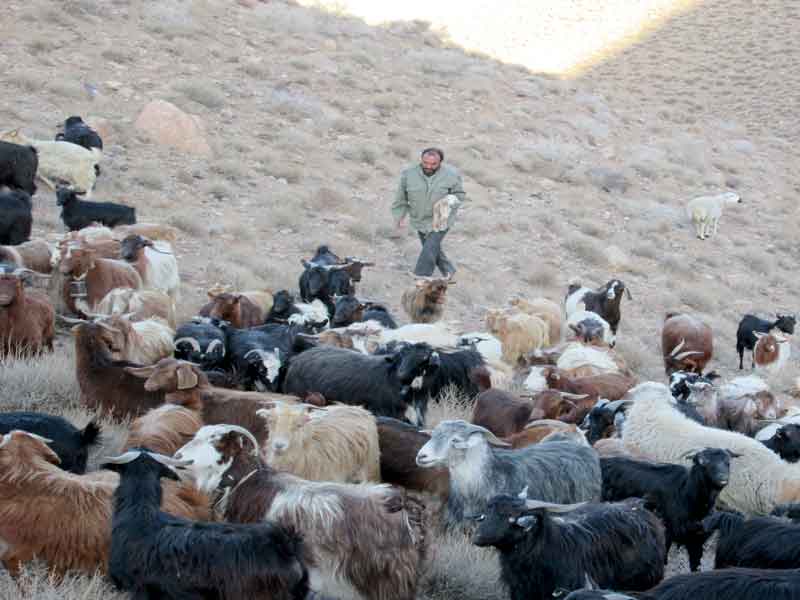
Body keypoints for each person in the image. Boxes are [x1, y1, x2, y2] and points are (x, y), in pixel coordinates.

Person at [391, 147, 466, 277]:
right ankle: (449, 271)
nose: (428, 166)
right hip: (419, 219)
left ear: (440, 163)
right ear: (421, 159)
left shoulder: (451, 175)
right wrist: (400, 216)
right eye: (425, 163)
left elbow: (459, 195)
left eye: (433, 164)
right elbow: (401, 197)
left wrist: (450, 201)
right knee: (431, 248)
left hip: (442, 219)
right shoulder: (409, 174)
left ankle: (421, 277)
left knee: (429, 248)